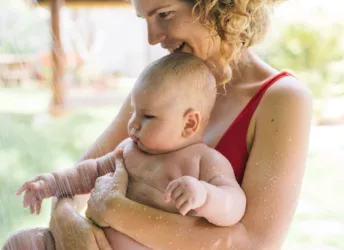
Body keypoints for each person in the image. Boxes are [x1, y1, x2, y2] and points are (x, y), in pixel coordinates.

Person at [2, 0, 313, 249]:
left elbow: (253, 243)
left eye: (164, 13)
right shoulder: (160, 88)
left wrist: (113, 209)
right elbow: (79, 181)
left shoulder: (282, 99)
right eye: (145, 19)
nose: (153, 37)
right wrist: (70, 226)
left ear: (216, 6)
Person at [15, 53, 246, 250]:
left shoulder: (204, 161)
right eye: (133, 112)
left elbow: (234, 206)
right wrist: (51, 183)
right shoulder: (129, 150)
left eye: (148, 116)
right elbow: (89, 172)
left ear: (189, 124)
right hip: (90, 242)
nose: (133, 124)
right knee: (22, 243)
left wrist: (204, 195)